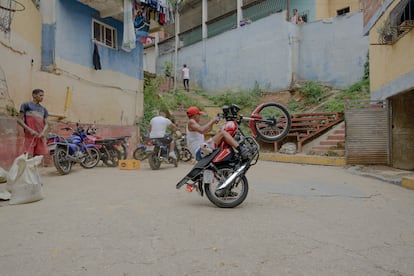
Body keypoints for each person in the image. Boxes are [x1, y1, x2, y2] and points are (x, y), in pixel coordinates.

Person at [17, 89, 49, 157]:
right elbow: (19, 120)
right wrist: (30, 130)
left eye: (43, 95)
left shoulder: (44, 109)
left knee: (37, 160)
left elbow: (46, 124)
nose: (42, 97)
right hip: (29, 136)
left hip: (40, 136)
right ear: (34, 95)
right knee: (28, 157)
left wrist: (43, 132)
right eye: (40, 95)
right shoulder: (26, 105)